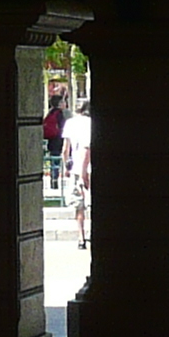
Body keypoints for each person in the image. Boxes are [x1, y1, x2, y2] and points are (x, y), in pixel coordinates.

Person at [61, 99, 94, 248]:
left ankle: (81, 238)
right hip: (91, 169)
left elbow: (65, 150)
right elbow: (88, 148)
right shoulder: (93, 123)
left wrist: (67, 166)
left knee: (78, 206)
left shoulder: (70, 123)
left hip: (75, 169)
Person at [41, 84, 70, 189]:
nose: (65, 104)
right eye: (63, 102)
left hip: (51, 141)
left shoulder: (50, 113)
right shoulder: (60, 114)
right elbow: (63, 127)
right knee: (58, 160)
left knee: (54, 160)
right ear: (60, 103)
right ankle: (57, 181)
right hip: (59, 140)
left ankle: (54, 181)